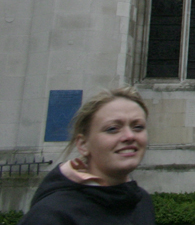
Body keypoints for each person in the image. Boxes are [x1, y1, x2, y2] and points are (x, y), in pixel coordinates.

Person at [19, 87, 155, 225]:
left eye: (138, 127)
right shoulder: (50, 215)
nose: (129, 136)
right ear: (83, 144)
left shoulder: (142, 202)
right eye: (112, 129)